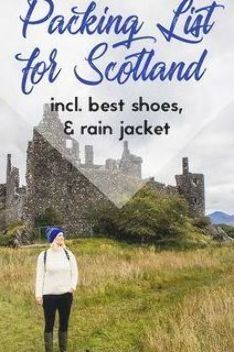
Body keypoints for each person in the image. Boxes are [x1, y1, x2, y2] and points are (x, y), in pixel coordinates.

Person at [35, 226, 79, 352]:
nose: (62, 237)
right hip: (49, 296)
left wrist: (72, 287)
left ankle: (63, 350)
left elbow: (75, 272)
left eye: (62, 235)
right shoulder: (43, 256)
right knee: (49, 324)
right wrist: (38, 294)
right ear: (53, 238)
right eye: (59, 235)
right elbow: (39, 276)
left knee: (64, 323)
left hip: (66, 295)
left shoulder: (68, 254)